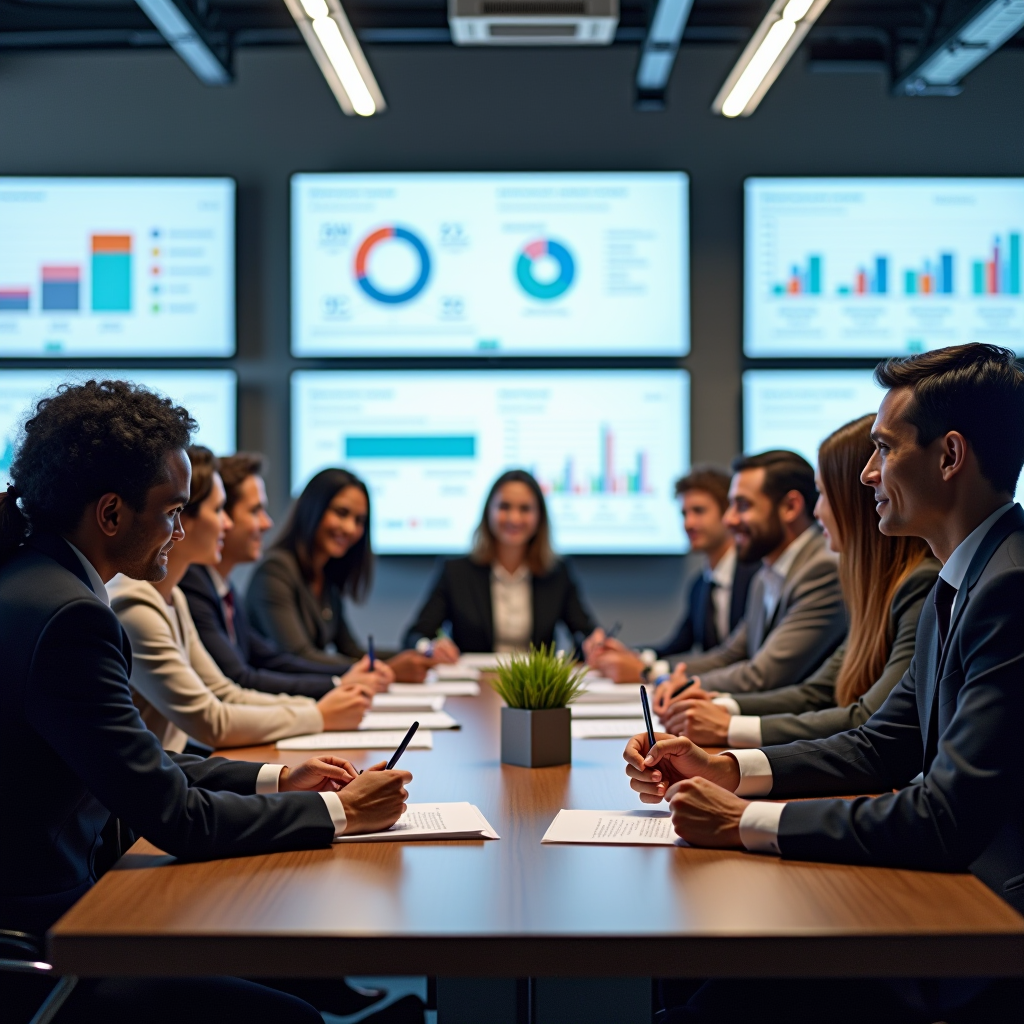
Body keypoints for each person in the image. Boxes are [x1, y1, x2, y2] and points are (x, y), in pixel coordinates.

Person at [624, 344, 1024, 1022]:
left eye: (884, 449)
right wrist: (726, 769)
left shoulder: (1006, 587)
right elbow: (879, 745)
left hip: (981, 933)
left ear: (949, 457)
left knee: (715, 991)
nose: (867, 473)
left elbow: (946, 815)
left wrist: (744, 822)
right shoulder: (962, 578)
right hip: (949, 900)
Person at [0, 380, 413, 1024]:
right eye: (171, 511)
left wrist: (277, 778)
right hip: (48, 931)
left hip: (58, 907)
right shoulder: (70, 618)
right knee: (288, 1016)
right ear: (111, 514)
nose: (179, 528)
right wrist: (337, 812)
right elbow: (175, 816)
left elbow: (132, 762)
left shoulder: (38, 583)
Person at [662, 416, 939, 747]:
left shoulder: (915, 584)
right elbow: (817, 692)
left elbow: (868, 720)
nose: (817, 511)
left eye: (822, 494)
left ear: (858, 500)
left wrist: (728, 726)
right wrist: (719, 707)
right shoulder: (871, 589)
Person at [109, 447, 388, 751]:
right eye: (219, 511)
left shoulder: (174, 597)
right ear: (183, 520)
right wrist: (318, 714)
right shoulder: (138, 604)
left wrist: (320, 707)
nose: (226, 524)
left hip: (178, 771)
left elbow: (226, 693)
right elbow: (211, 720)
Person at [180, 452, 392, 699]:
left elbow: (272, 659)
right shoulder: (195, 585)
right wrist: (338, 684)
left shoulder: (223, 589)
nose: (267, 524)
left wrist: (352, 674)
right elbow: (243, 679)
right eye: (255, 510)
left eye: (359, 520)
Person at [646, 450, 846, 697]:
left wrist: (680, 685)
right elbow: (730, 655)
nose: (729, 519)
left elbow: (763, 675)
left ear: (790, 507)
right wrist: (663, 676)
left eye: (742, 506)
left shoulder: (822, 569)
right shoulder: (765, 576)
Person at [246, 468, 434, 681]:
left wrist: (419, 657)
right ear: (313, 508)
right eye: (341, 513)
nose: (350, 528)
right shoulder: (275, 572)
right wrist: (384, 669)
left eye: (359, 520)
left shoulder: (325, 576)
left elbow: (350, 650)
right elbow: (299, 657)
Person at [584, 466, 758, 683]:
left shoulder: (757, 575)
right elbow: (675, 646)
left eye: (699, 511)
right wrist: (629, 655)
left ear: (728, 513)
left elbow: (737, 658)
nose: (688, 523)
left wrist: (647, 670)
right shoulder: (700, 585)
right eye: (684, 514)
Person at [402, 469, 597, 655]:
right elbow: (415, 637)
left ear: (539, 517)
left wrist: (593, 645)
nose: (514, 518)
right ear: (489, 512)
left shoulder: (557, 573)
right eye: (504, 507)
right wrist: (429, 648)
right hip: (476, 684)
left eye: (525, 509)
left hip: (534, 687)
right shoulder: (456, 573)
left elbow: (585, 634)